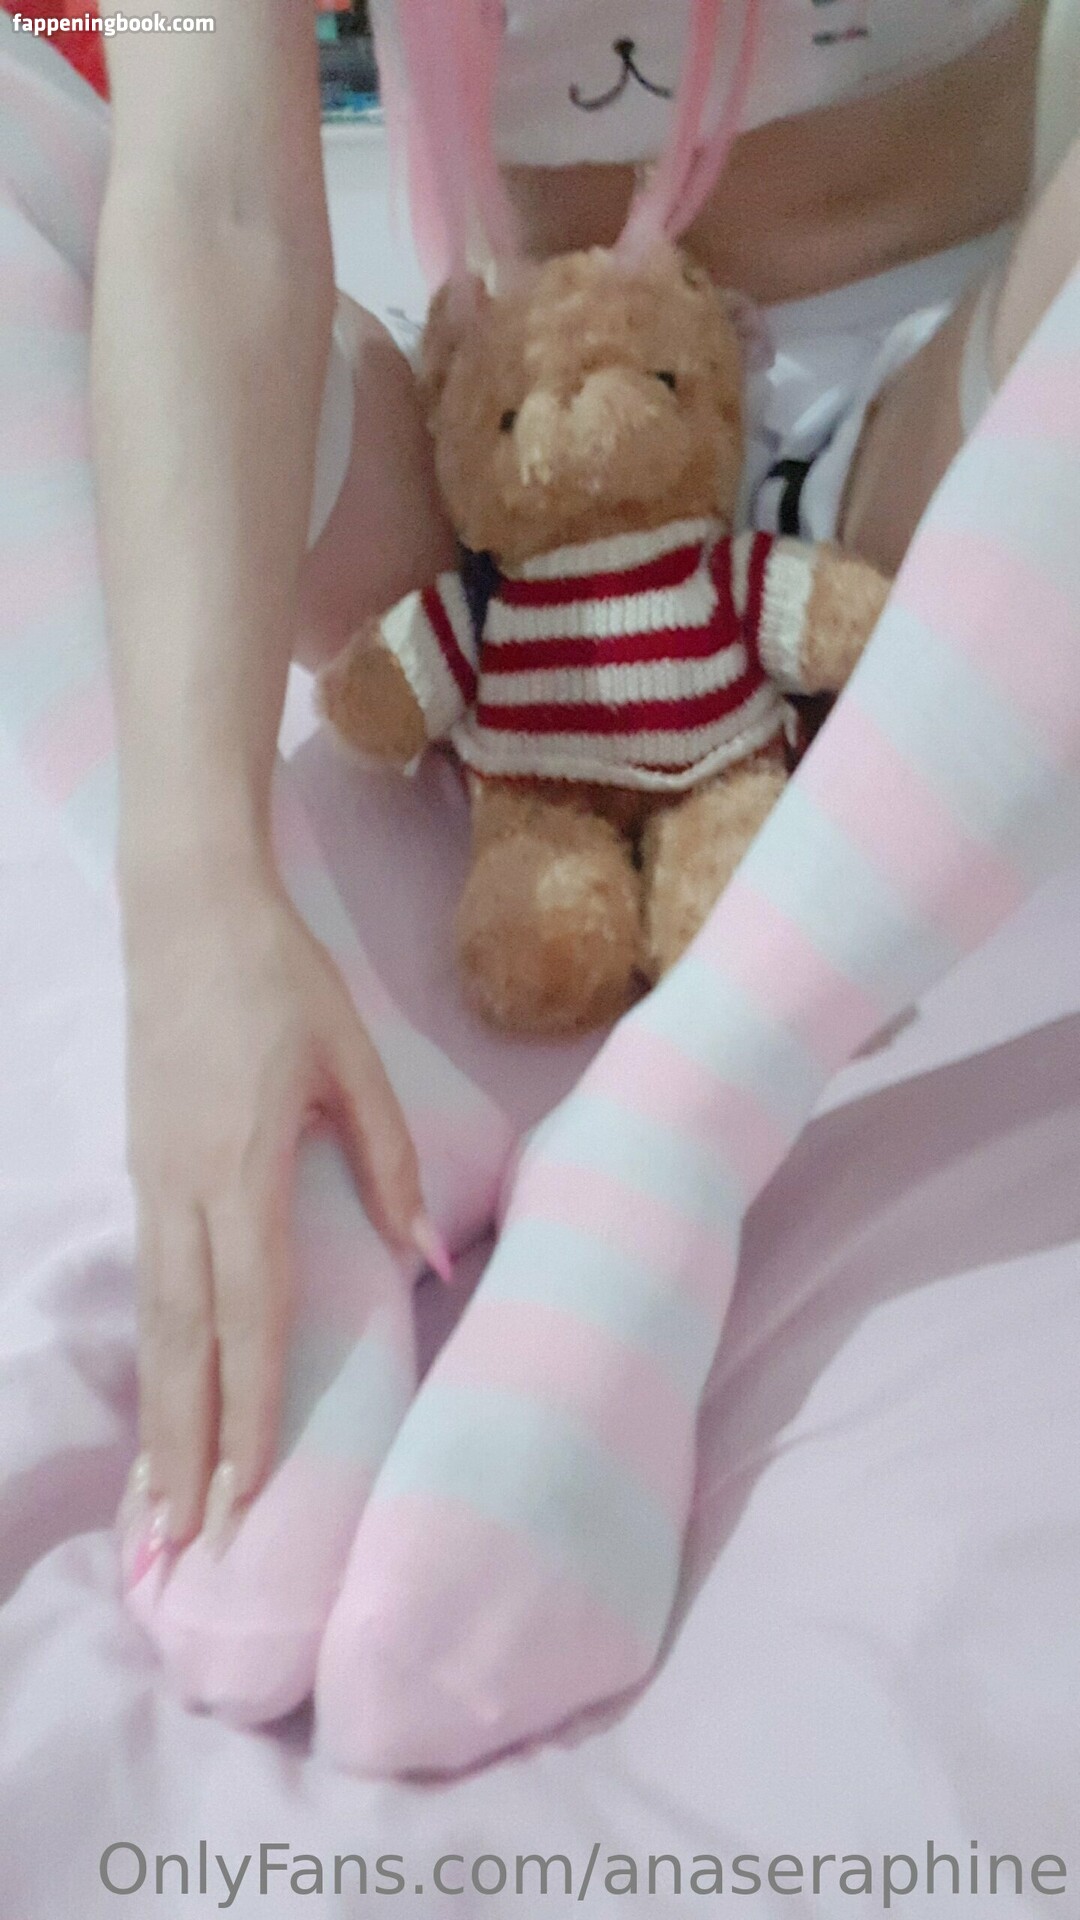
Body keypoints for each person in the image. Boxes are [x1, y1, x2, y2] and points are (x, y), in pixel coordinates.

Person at [5, 0, 1078, 1611]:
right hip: (502, 485)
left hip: (937, 453)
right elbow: (207, 192)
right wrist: (194, 906)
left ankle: (678, 1116)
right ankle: (329, 1114)